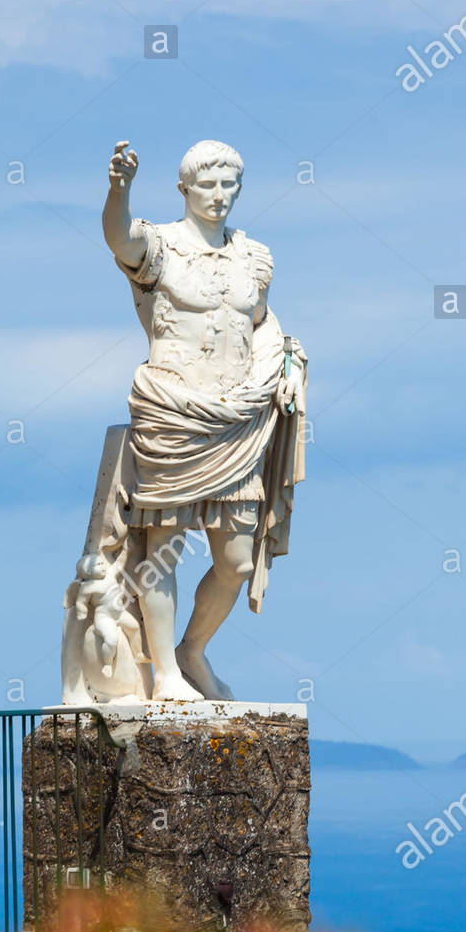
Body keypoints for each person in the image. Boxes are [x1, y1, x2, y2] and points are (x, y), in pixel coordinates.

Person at [99, 138, 306, 701]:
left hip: (238, 420)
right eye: (207, 185)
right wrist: (119, 190)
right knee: (162, 547)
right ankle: (164, 673)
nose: (218, 196)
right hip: (173, 411)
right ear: (184, 189)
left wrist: (287, 359)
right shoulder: (161, 247)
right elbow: (119, 235)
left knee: (237, 560)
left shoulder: (254, 257)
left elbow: (261, 322)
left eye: (228, 185)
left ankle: (192, 651)